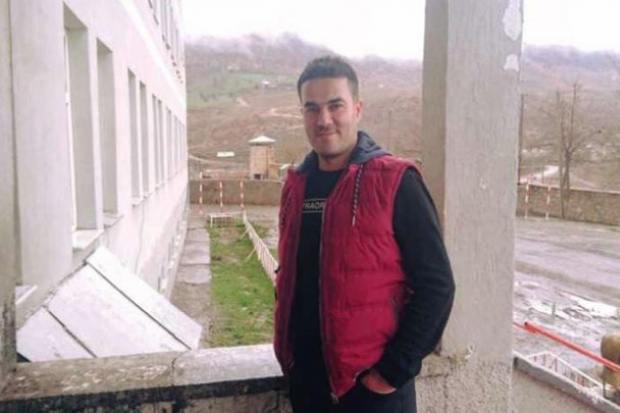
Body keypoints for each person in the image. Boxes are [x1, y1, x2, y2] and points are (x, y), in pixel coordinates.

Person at [274, 55, 455, 413]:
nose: (323, 120)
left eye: (335, 106)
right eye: (312, 108)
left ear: (357, 109)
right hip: (307, 387)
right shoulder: (296, 185)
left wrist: (389, 374)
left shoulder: (396, 181)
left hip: (371, 396)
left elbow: (437, 286)